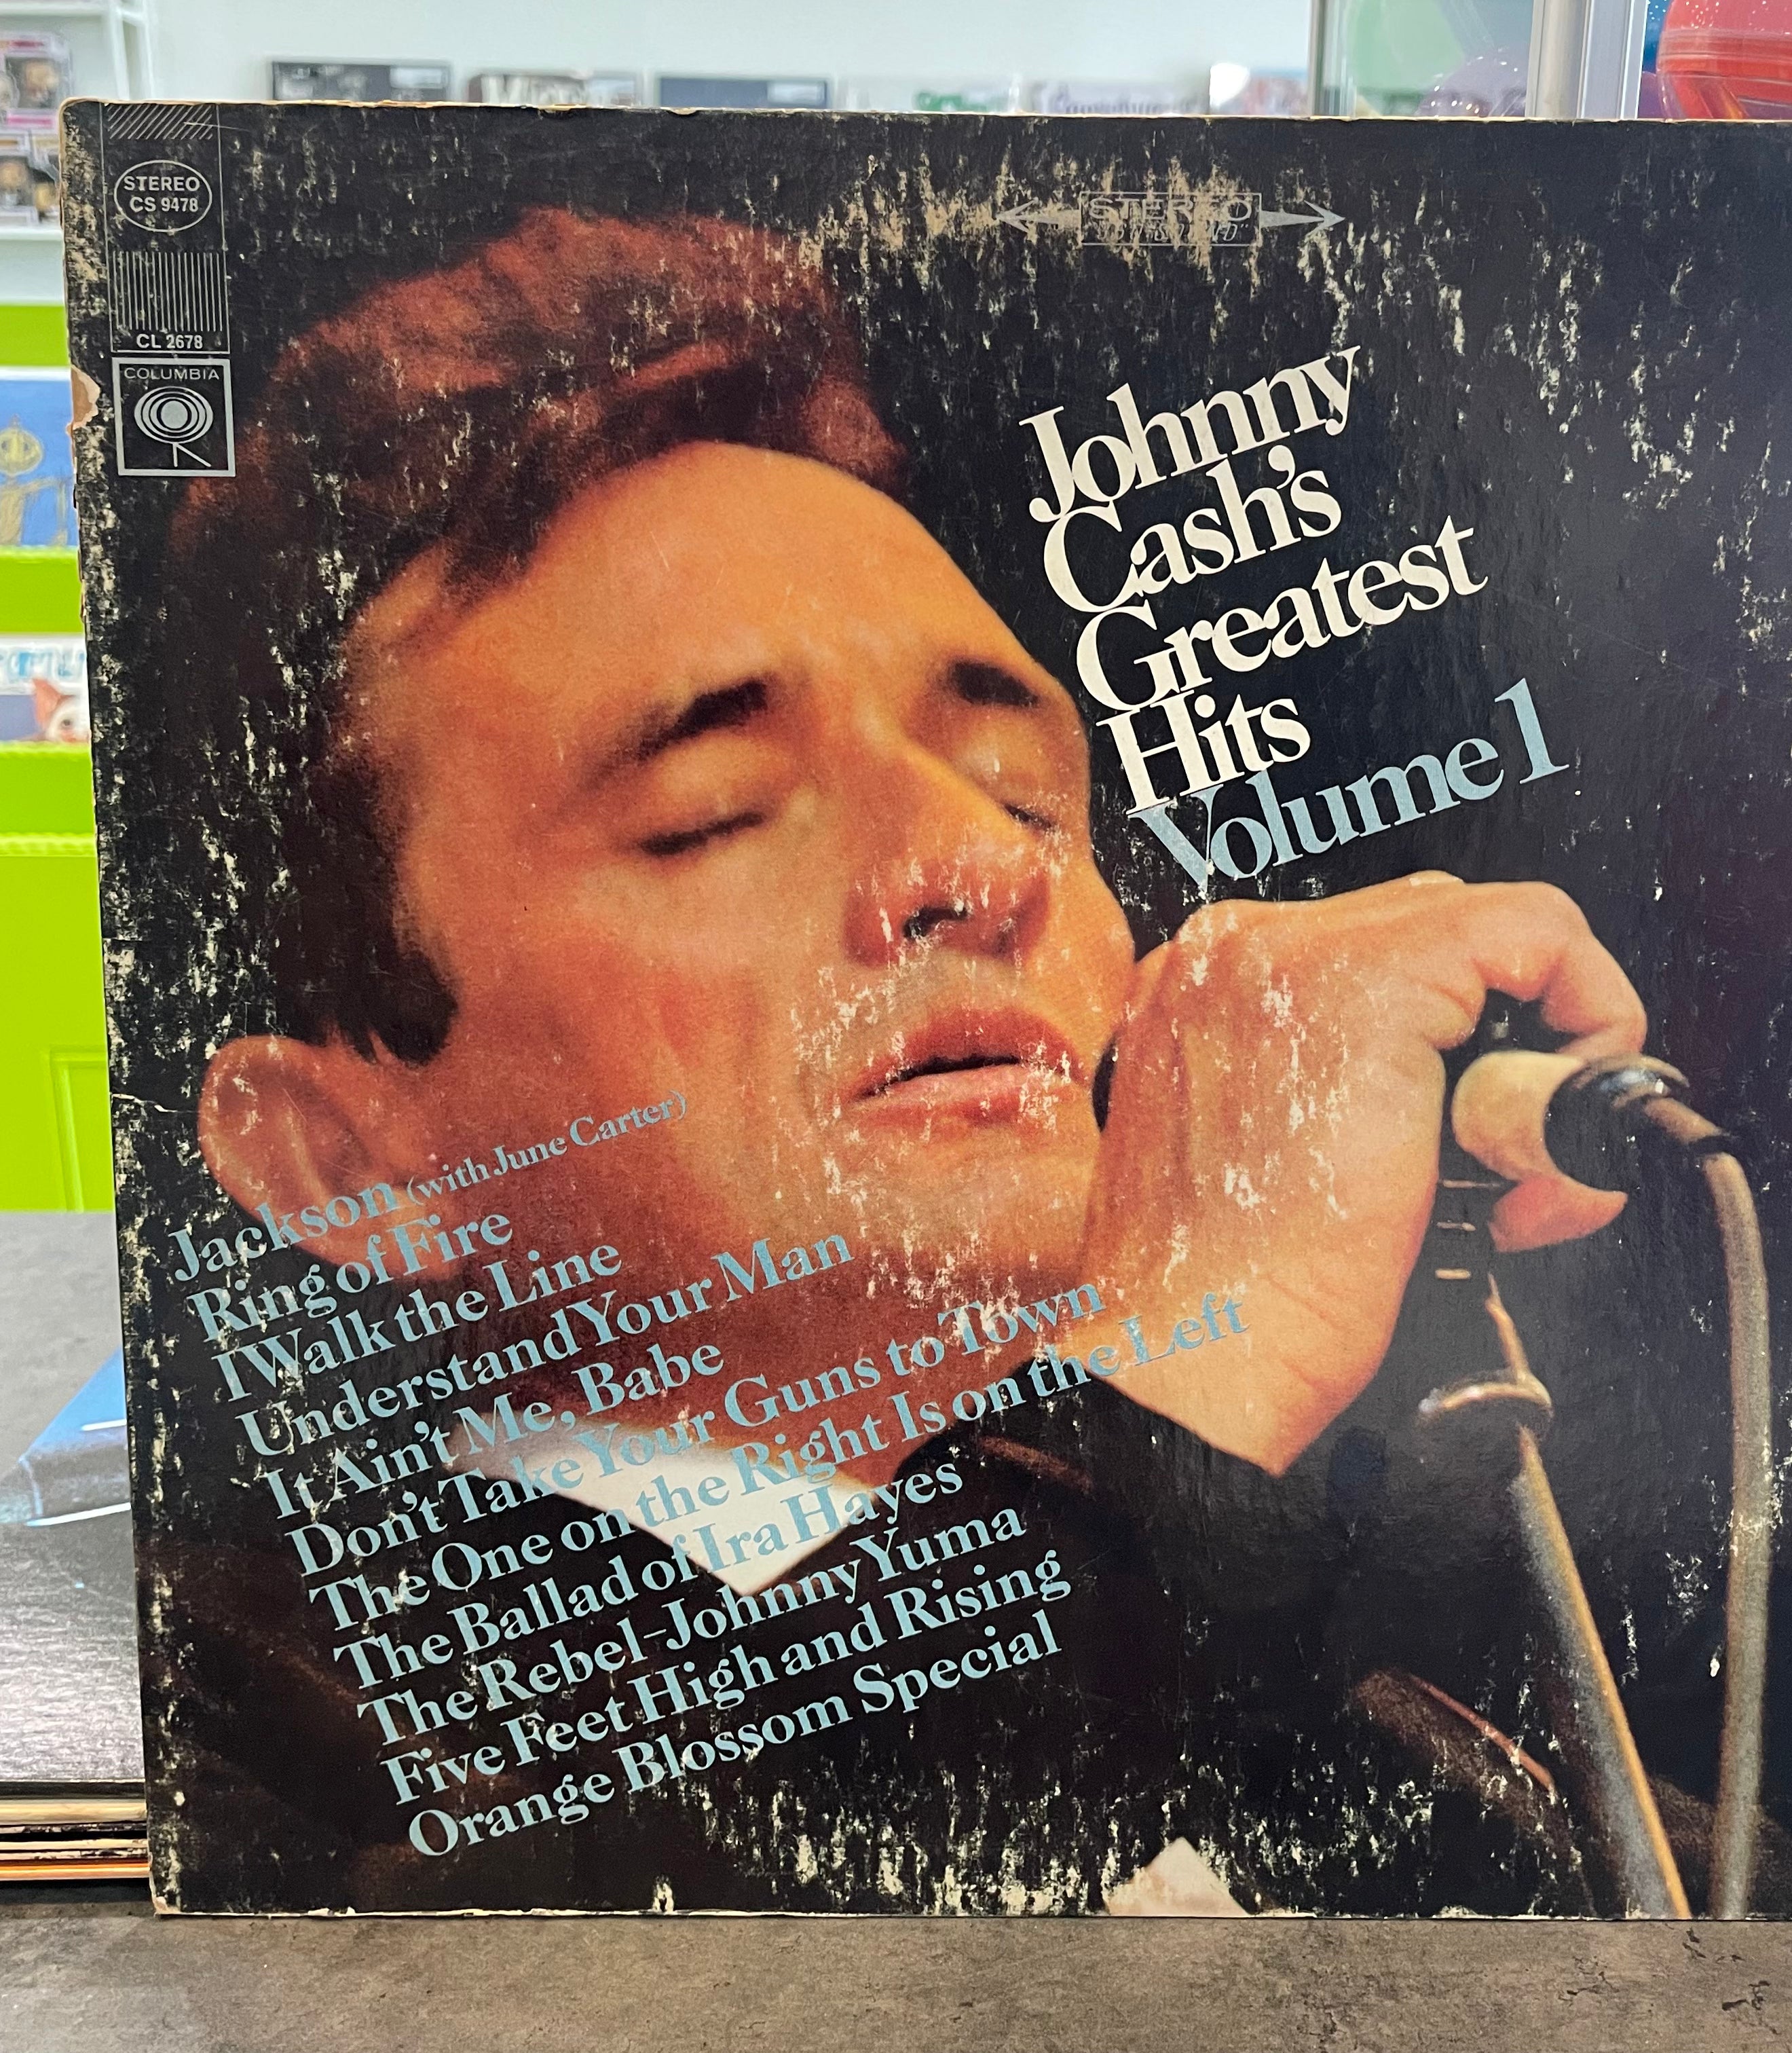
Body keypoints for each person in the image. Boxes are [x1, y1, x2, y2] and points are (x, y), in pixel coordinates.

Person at [162, 206, 1668, 1915]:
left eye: (1028, 797)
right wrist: (1193, 1393)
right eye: (715, 814)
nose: (984, 864)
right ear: (341, 1162)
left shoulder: (1403, 1693)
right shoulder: (252, 1723)